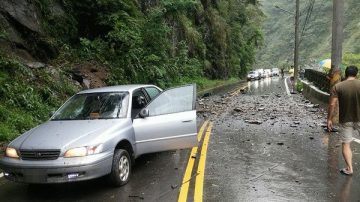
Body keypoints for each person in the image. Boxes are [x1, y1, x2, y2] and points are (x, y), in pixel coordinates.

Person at [327, 65, 360, 175]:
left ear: (345, 75)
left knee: (346, 144)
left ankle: (349, 169)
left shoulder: (338, 86)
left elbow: (332, 104)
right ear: (357, 74)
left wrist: (329, 119)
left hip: (346, 119)